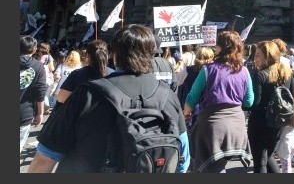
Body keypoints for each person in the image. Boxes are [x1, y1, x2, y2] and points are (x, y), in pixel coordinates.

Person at [27, 24, 191, 172]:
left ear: (114, 54)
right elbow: (182, 157)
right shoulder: (168, 95)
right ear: (151, 54)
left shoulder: (88, 93)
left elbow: (45, 158)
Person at [183, 30, 254, 173]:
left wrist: (186, 114)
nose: (215, 48)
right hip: (237, 128)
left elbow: (192, 97)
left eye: (217, 45)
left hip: (213, 127)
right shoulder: (244, 71)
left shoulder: (209, 69)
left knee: (208, 167)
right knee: (219, 165)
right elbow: (249, 101)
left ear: (221, 48)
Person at [247, 40, 294, 173]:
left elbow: (256, 104)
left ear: (268, 56)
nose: (255, 58)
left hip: (259, 123)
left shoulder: (259, 75)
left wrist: (245, 104)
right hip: (278, 122)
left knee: (260, 161)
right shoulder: (286, 73)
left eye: (258, 55)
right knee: (269, 156)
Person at [54, 39, 113, 110]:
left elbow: (61, 98)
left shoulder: (77, 74)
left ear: (87, 55)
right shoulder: (114, 74)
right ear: (107, 54)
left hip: (79, 116)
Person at [20, 36, 48, 154]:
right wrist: (40, 113)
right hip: (23, 114)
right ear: (34, 50)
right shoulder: (38, 67)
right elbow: (40, 93)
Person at [176, 46, 215, 129]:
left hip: (189, 107)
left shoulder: (187, 70)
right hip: (206, 109)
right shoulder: (213, 72)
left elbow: (178, 84)